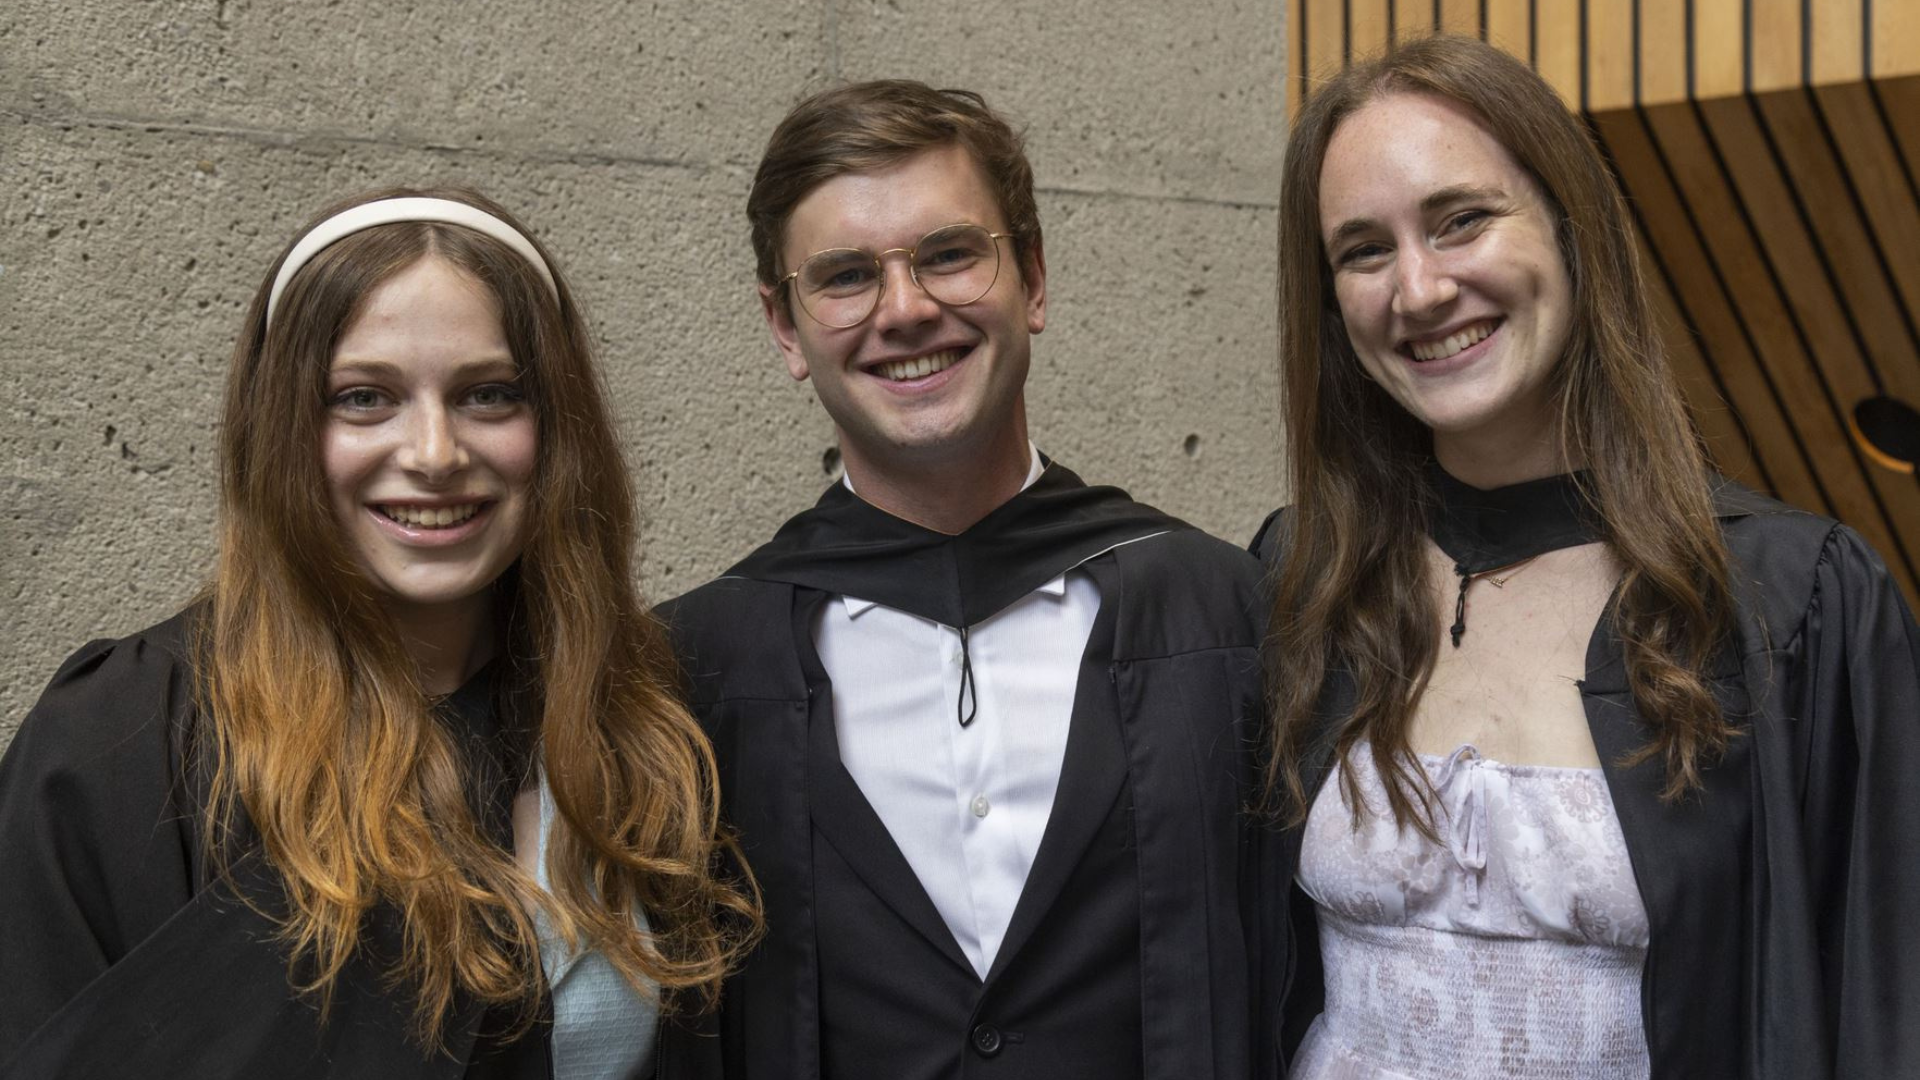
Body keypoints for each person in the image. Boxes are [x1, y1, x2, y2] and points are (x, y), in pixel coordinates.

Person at [1251, 34, 1920, 1080]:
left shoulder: (1790, 602)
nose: (1419, 290)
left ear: (1572, 225)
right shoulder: (1309, 577)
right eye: (1363, 250)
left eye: (1462, 219)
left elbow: (1885, 1012)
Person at [0, 187, 759, 1078]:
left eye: (489, 395)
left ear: (556, 430)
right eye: (365, 398)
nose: (435, 453)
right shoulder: (125, 742)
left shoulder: (638, 728)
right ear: (284, 429)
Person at [658, 81, 1265, 1078]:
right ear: (783, 326)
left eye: (949, 255)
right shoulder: (691, 673)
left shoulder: (1229, 616)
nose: (906, 310)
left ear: (1031, 278)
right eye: (845, 275)